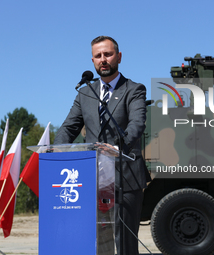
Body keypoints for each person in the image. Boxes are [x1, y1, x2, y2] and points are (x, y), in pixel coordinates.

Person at [54, 35, 150, 255]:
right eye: (98, 56)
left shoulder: (134, 89)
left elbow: (137, 124)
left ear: (119, 56)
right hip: (91, 179)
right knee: (97, 241)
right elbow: (69, 128)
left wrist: (119, 147)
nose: (103, 59)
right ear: (93, 61)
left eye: (107, 54)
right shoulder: (85, 92)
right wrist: (57, 153)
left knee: (124, 243)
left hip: (125, 178)